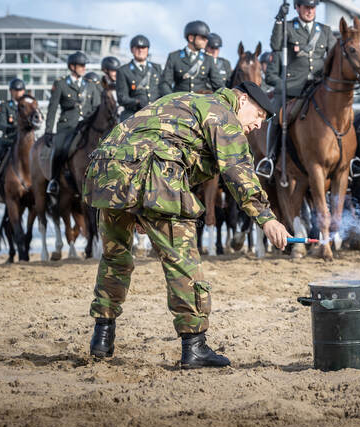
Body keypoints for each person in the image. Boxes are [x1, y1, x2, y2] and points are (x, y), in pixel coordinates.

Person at [84, 81, 290, 368]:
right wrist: (266, 218)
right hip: (151, 173)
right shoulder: (222, 113)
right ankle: (194, 346)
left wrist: (139, 204)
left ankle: (101, 338)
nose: (258, 125)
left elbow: (152, 137)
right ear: (242, 100)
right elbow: (238, 171)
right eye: (258, 115)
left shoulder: (187, 100)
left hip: (109, 171)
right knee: (183, 261)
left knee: (115, 257)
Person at [256, 0, 336, 178]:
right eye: (306, 7)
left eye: (313, 7)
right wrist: (278, 21)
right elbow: (275, 46)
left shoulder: (324, 31)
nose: (310, 11)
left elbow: (333, 57)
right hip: (293, 88)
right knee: (276, 117)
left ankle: (345, 162)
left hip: (318, 87)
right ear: (297, 8)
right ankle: (270, 158)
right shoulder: (288, 28)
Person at [44, 51, 100, 195]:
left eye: (84, 65)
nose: (84, 68)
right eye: (81, 65)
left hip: (86, 126)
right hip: (68, 126)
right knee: (60, 151)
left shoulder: (90, 85)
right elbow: (52, 109)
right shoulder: (61, 84)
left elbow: (97, 108)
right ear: (72, 67)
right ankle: (54, 181)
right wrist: (48, 130)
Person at [0, 78, 26, 201]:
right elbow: (0, 124)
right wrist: (15, 126)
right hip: (8, 141)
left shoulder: (27, 105)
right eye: (15, 90)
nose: (18, 93)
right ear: (11, 91)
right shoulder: (5, 106)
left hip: (23, 142)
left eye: (20, 90)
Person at [160, 21, 223, 97]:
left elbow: (219, 85)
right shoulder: (174, 57)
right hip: (178, 102)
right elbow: (165, 83)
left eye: (206, 38)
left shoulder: (208, 59)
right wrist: (171, 100)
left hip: (201, 102)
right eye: (203, 38)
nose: (206, 41)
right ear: (191, 38)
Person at [117, 35, 163, 121]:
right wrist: (137, 102)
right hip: (134, 114)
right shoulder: (123, 71)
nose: (140, 50)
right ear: (132, 50)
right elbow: (122, 98)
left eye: (143, 47)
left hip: (156, 112)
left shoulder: (157, 68)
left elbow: (163, 90)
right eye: (137, 47)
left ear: (147, 49)